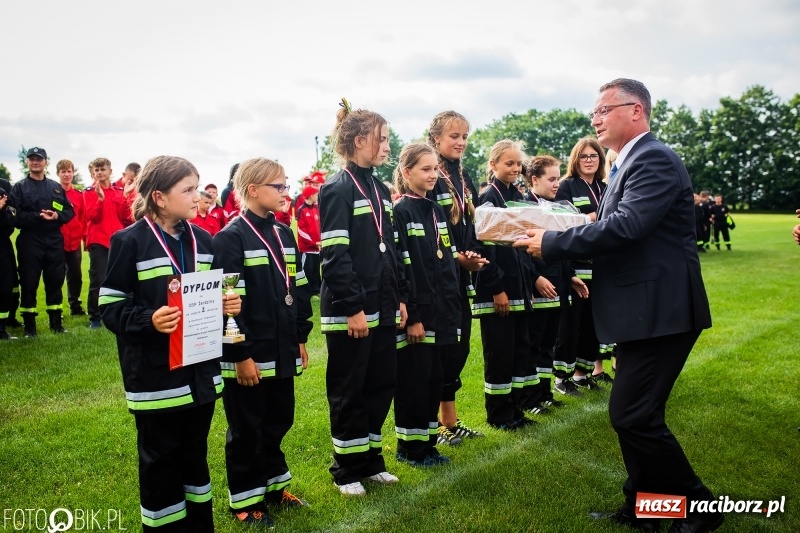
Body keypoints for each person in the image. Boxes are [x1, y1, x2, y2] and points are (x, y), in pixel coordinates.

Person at [514, 78, 721, 533]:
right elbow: (606, 222)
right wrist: (550, 226)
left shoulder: (654, 159)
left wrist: (552, 242)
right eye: (595, 111)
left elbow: (627, 226)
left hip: (661, 312)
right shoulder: (630, 162)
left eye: (605, 109)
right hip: (641, 311)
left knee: (632, 415)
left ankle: (702, 509)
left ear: (637, 111)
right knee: (637, 416)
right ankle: (645, 512)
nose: (595, 118)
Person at [100, 155, 240, 533]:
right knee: (160, 461)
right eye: (189, 190)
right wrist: (150, 320)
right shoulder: (128, 242)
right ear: (160, 198)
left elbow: (209, 297)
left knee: (195, 455)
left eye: (198, 188)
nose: (198, 197)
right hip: (155, 377)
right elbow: (110, 307)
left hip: (200, 373)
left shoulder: (207, 241)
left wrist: (226, 304)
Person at [212, 158, 313, 527]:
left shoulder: (285, 234)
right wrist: (240, 355)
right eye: (279, 187)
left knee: (278, 420)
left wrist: (300, 336)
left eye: (287, 186)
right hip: (249, 354)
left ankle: (274, 489)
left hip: (282, 347)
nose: (287, 193)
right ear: (253, 190)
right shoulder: (229, 238)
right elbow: (226, 305)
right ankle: (245, 501)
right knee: (247, 427)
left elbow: (298, 288)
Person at [319, 99, 408, 497]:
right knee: (349, 387)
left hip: (383, 305)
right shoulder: (336, 190)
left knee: (380, 383)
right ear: (359, 141)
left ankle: (370, 461)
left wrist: (398, 298)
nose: (388, 147)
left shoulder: (380, 189)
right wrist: (353, 307)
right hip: (350, 310)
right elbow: (335, 256)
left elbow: (387, 248)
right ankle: (346, 468)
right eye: (382, 139)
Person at [392, 143, 461, 467]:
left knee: (434, 380)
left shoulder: (434, 210)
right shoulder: (401, 210)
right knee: (415, 383)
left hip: (442, 312)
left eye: (435, 169)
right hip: (420, 316)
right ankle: (410, 448)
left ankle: (428, 444)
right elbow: (404, 269)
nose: (433, 174)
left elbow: (444, 261)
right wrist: (414, 317)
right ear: (407, 173)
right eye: (425, 169)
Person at [428, 110, 487, 444]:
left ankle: (451, 422)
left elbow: (470, 228)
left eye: (465, 136)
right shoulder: (429, 173)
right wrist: (456, 257)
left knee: (459, 349)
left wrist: (474, 255)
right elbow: (429, 232)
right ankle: (432, 424)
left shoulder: (462, 177)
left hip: (460, 279)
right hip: (437, 281)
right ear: (436, 138)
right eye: (454, 136)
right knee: (439, 353)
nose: (461, 142)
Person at [473, 139, 534, 431]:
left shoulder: (516, 197)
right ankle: (499, 415)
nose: (515, 168)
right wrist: (497, 289)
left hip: (519, 290)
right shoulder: (489, 200)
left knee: (519, 351)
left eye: (517, 163)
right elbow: (486, 253)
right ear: (493, 165)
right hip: (498, 293)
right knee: (500, 355)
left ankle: (515, 410)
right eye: (508, 163)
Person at [522, 156, 589, 412]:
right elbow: (521, 251)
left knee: (549, 341)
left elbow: (561, 249)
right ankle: (530, 398)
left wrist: (570, 276)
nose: (556, 184)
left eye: (557, 178)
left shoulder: (559, 206)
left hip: (558, 286)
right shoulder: (524, 208)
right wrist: (535, 279)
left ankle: (544, 393)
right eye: (551, 179)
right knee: (534, 343)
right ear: (534, 180)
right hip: (538, 288)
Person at [552, 137, 610, 396]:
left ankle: (582, 373)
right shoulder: (566, 186)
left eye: (594, 156)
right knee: (570, 324)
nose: (589, 160)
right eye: (584, 156)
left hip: (601, 268)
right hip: (575, 267)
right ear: (576, 160)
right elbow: (559, 225)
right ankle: (561, 377)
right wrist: (588, 218)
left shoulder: (605, 187)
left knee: (592, 324)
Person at [10, 147, 75, 336]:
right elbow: (15, 216)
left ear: (46, 162)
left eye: (39, 159)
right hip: (30, 239)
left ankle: (56, 324)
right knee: (29, 282)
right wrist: (37, 216)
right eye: (31, 159)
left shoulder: (55, 187)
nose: (35, 162)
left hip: (54, 239)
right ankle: (30, 327)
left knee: (55, 280)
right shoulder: (20, 187)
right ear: (27, 162)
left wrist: (57, 215)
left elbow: (69, 212)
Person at [84, 158, 130, 329]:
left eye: (103, 169)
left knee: (119, 277)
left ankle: (116, 311)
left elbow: (125, 218)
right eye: (96, 170)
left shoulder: (119, 191)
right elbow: (91, 217)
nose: (99, 172)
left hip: (116, 241)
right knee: (98, 278)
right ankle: (95, 316)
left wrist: (126, 197)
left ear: (110, 171)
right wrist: (100, 199)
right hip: (98, 240)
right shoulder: (89, 192)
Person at [57, 160, 86, 316]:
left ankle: (75, 305)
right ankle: (56, 308)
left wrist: (81, 235)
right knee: (57, 275)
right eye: (63, 172)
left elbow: (82, 216)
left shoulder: (79, 195)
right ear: (58, 174)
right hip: (57, 241)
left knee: (75, 276)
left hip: (75, 242)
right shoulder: (53, 193)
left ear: (73, 173)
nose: (67, 174)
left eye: (69, 171)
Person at [296, 185, 322, 295]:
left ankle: (316, 290)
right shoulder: (301, 210)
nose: (317, 196)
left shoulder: (316, 208)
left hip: (317, 248)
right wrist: (313, 242)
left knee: (316, 270)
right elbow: (301, 230)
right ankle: (306, 291)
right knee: (307, 270)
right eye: (316, 194)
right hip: (307, 249)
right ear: (311, 196)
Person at [0, 176, 17, 339]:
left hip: (3, 242)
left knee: (9, 284)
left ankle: (5, 323)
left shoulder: (4, 184)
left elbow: (11, 212)